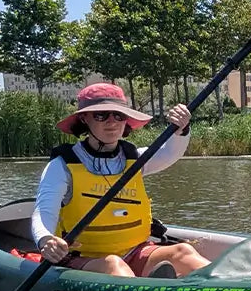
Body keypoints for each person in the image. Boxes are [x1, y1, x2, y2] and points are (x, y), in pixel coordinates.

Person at [31, 82, 210, 278]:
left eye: (119, 115)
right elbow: (44, 211)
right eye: (101, 115)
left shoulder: (135, 159)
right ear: (84, 118)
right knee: (113, 264)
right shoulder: (61, 166)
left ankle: (228, 285)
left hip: (134, 250)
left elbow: (169, 154)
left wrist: (181, 130)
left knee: (183, 251)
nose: (112, 122)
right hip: (82, 257)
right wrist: (45, 240)